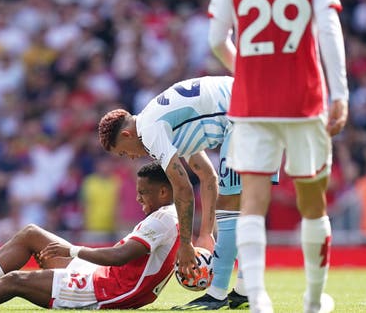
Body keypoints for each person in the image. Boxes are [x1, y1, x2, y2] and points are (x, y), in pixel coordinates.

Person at [207, 0, 349, 312]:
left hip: (252, 105)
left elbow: (216, 39)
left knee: (252, 200)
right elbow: (328, 30)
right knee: (312, 199)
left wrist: (246, 70)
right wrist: (339, 93)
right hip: (303, 100)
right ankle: (311, 299)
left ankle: (259, 299)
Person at [0, 162, 179, 310]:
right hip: (102, 274)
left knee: (16, 281)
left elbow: (119, 257)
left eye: (143, 193)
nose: (138, 197)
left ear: (164, 192)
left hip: (107, 291)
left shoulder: (163, 218)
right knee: (31, 234)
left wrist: (71, 251)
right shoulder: (171, 216)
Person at [99, 75, 268, 310]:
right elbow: (207, 176)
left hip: (244, 115)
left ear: (126, 135)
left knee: (230, 207)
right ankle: (245, 289)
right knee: (245, 208)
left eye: (123, 153)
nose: (130, 157)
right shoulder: (167, 123)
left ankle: (217, 295)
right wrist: (206, 234)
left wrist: (186, 245)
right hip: (258, 107)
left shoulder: (149, 131)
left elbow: (182, 187)